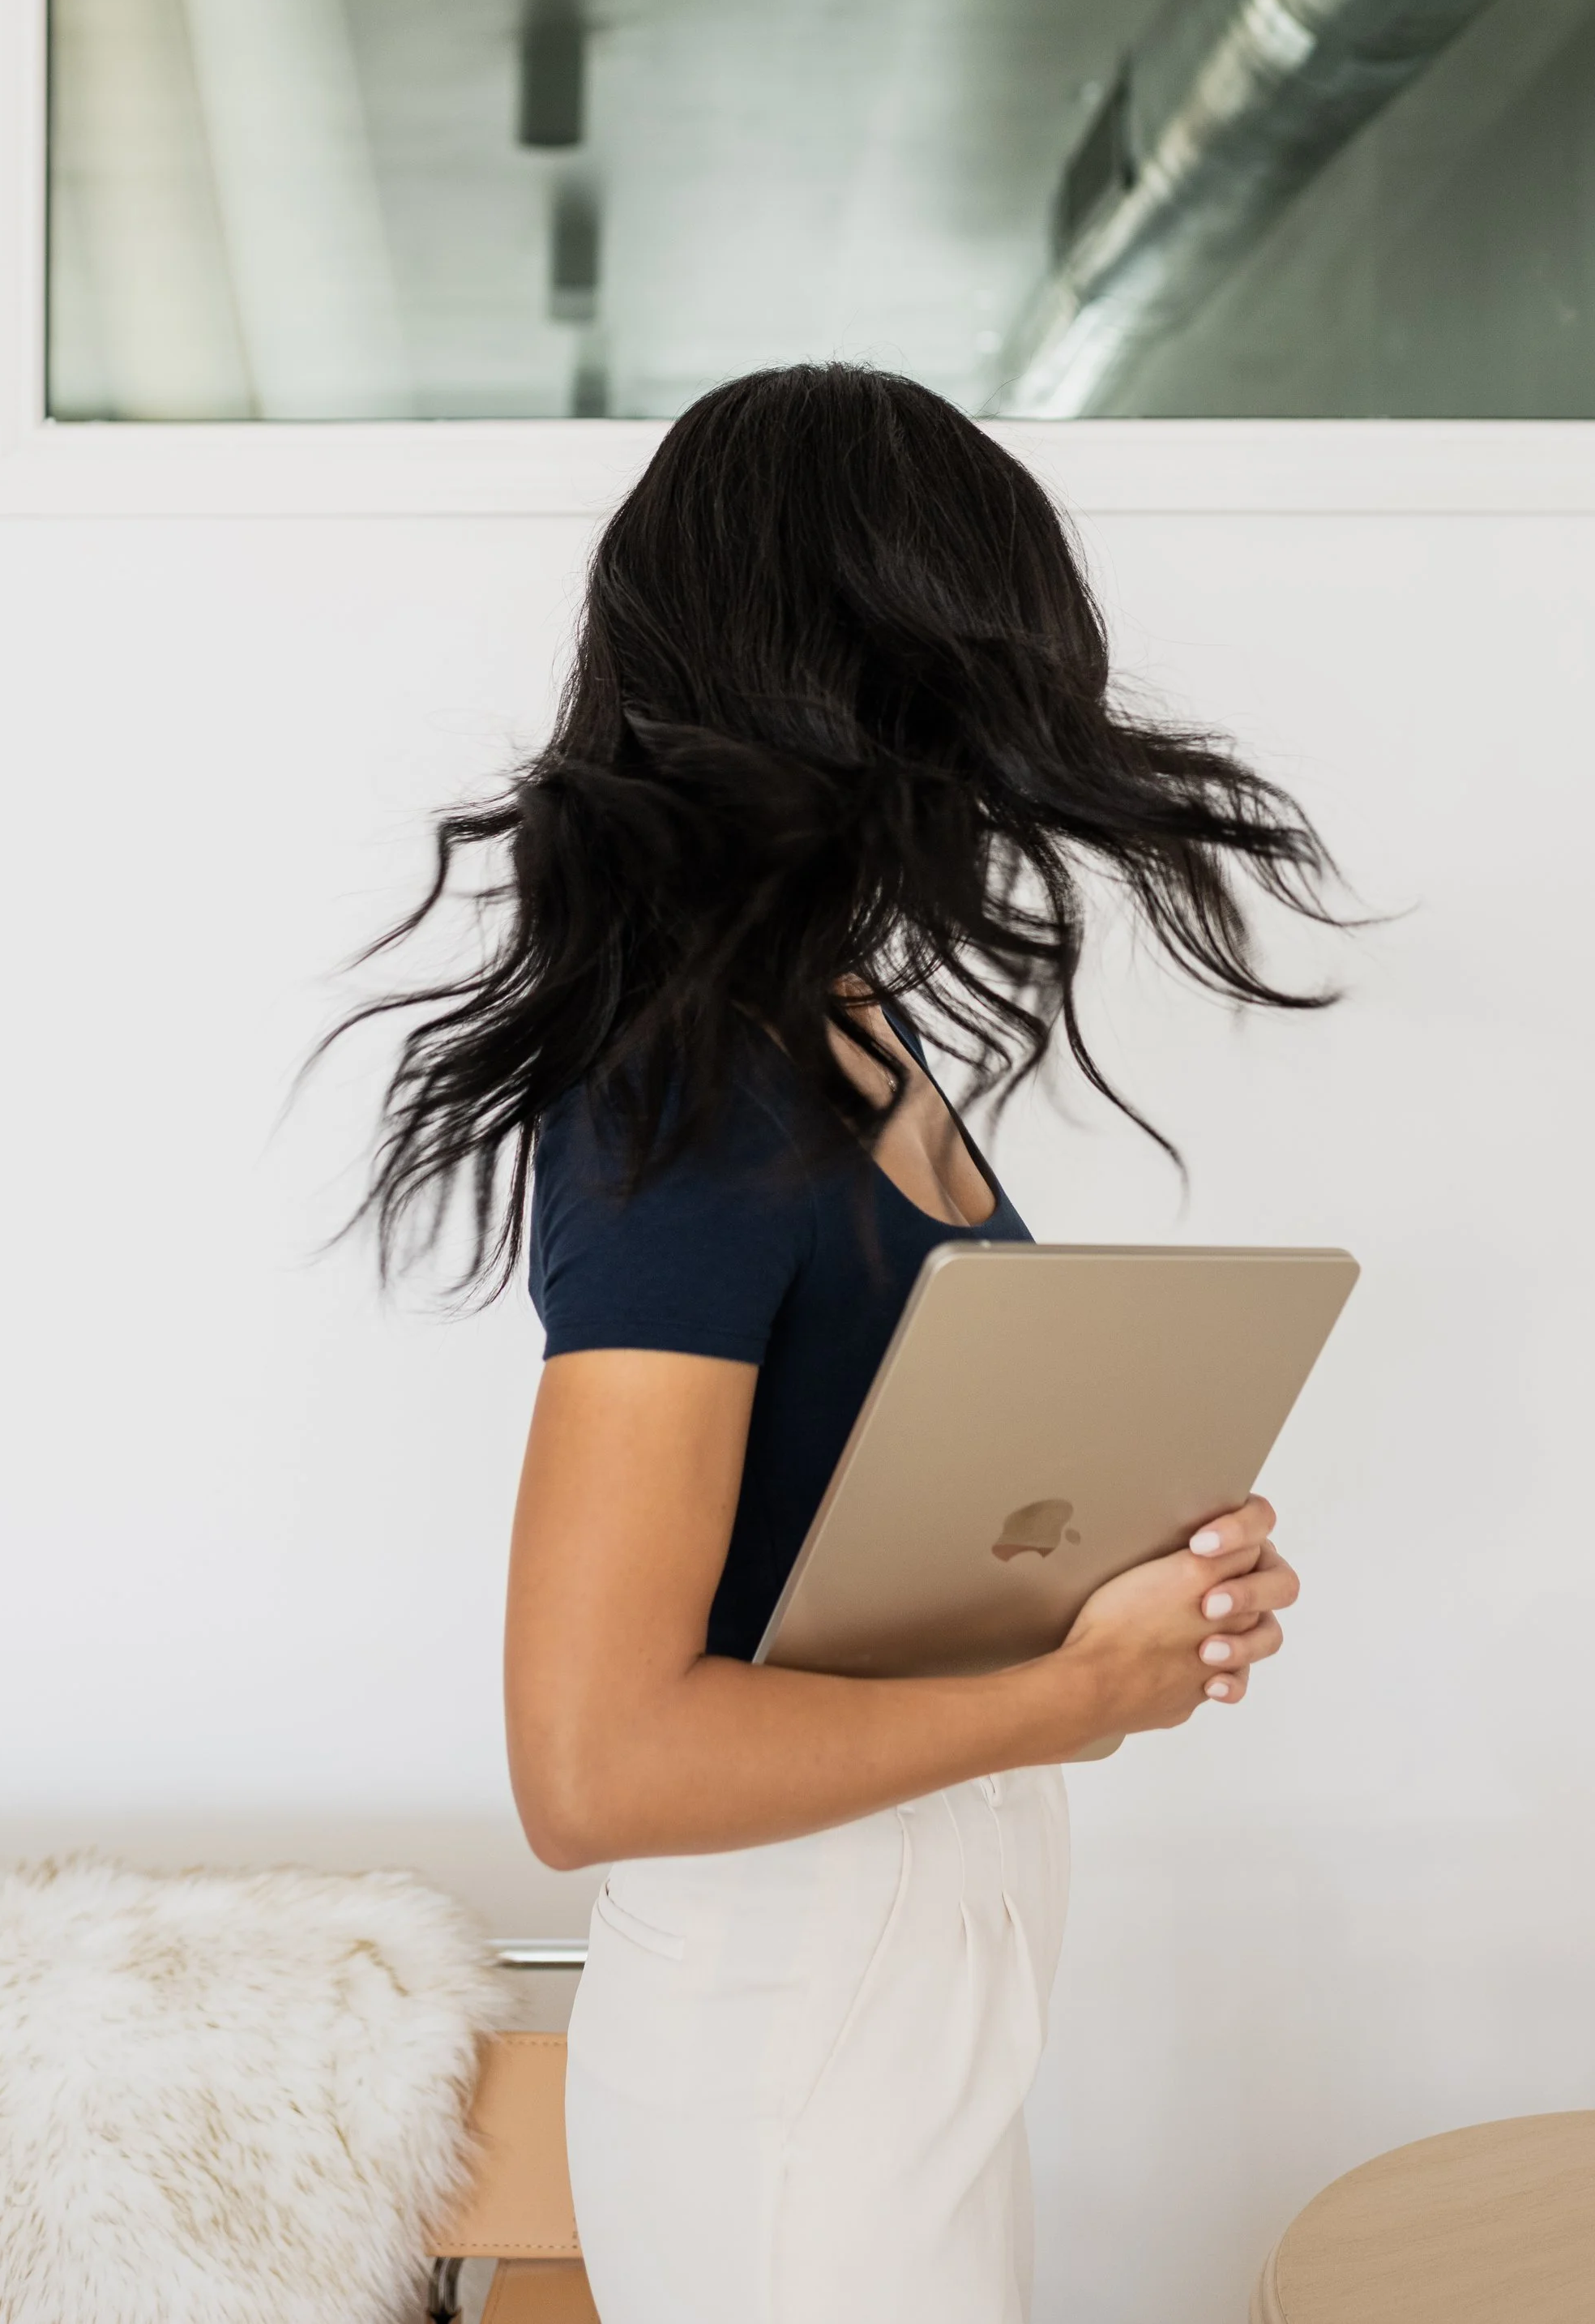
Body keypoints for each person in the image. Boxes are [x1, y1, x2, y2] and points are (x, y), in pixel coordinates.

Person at [352, 362, 1336, 2324]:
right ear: (867, 670)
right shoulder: (685, 1086)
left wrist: (1124, 1589)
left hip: (904, 1978)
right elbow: (596, 1755)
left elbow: (846, 1559)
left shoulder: (842, 1022)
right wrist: (1069, 1696)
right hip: (792, 2022)